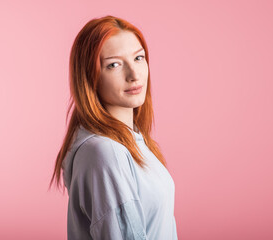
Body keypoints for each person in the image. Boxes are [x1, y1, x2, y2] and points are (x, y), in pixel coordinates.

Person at [49, 15, 178, 240]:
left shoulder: (128, 141)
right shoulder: (105, 151)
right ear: (90, 77)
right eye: (114, 65)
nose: (134, 75)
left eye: (139, 58)